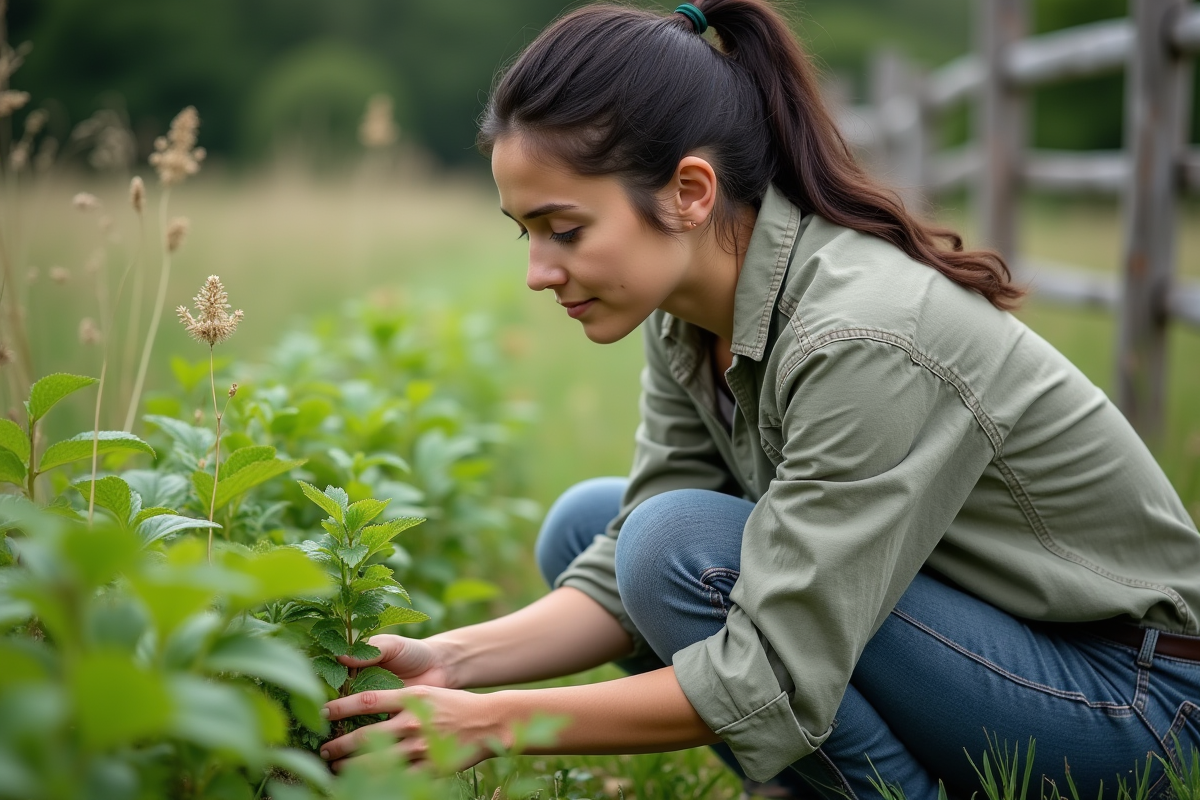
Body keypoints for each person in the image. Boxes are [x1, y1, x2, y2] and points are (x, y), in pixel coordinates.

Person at [318, 2, 1200, 797]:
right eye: (526, 234)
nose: (540, 273)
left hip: (1135, 704)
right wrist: (453, 662)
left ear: (690, 193)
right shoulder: (687, 315)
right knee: (594, 529)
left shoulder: (860, 335)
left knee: (674, 549)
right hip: (992, 650)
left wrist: (496, 722)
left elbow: (768, 663)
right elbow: (636, 548)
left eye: (566, 230)